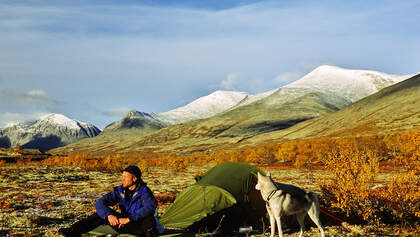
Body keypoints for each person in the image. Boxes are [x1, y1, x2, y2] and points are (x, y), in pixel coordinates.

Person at [59, 165, 159, 237]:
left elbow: (151, 206)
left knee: (149, 220)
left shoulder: (144, 191)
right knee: (100, 215)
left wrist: (130, 219)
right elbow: (100, 203)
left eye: (125, 177)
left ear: (134, 179)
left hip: (138, 225)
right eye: (122, 176)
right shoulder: (120, 191)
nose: (122, 179)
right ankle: (72, 231)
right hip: (122, 223)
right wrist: (109, 216)